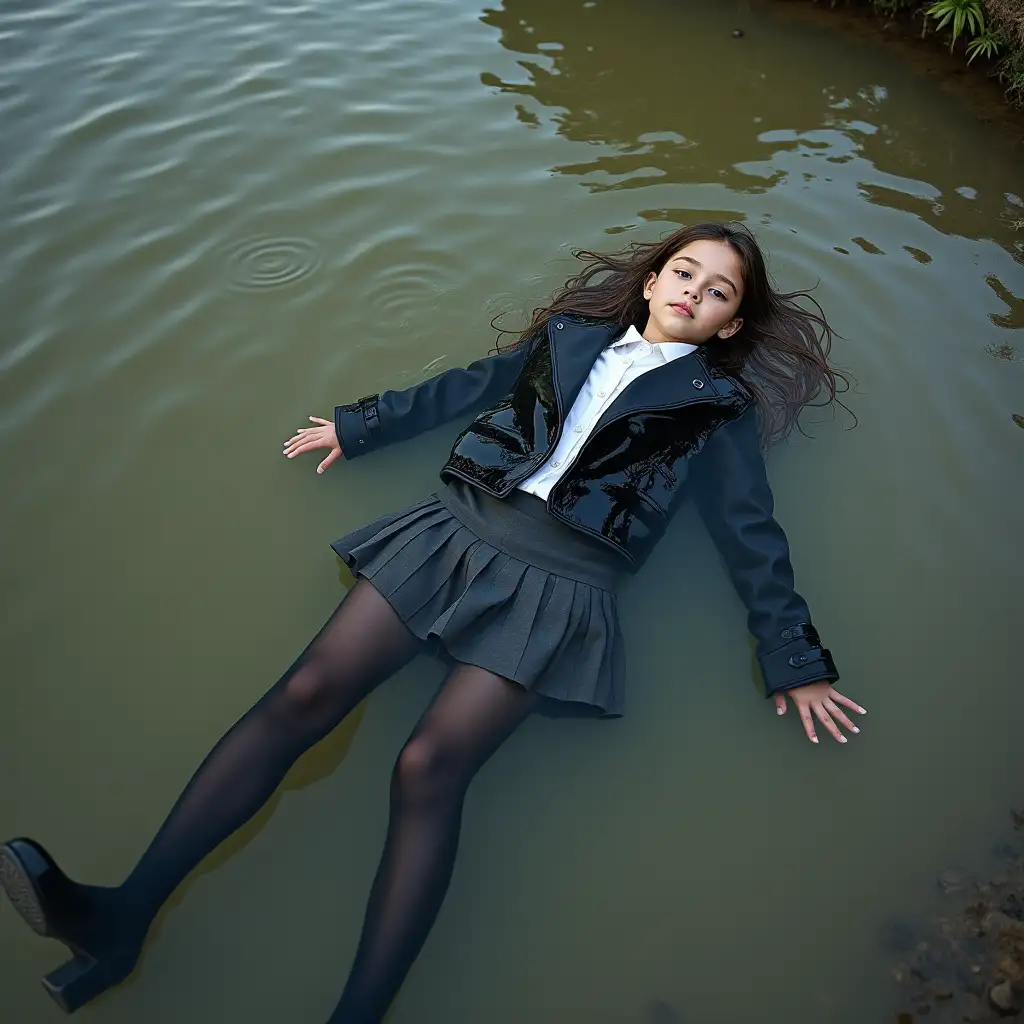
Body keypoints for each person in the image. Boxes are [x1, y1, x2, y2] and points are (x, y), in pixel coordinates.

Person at [0, 222, 866, 1022]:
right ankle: (121, 918)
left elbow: (749, 531)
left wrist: (794, 656)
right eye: (684, 271)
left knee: (426, 766)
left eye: (718, 291)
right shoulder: (567, 337)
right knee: (301, 694)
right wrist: (361, 425)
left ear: (726, 326)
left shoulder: (719, 409)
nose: (693, 290)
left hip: (564, 584)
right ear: (650, 281)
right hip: (454, 531)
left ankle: (358, 1015)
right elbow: (470, 388)